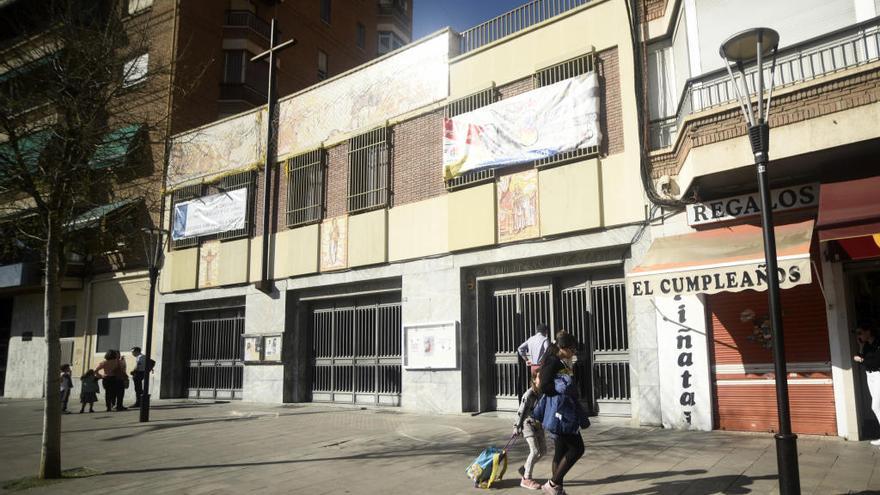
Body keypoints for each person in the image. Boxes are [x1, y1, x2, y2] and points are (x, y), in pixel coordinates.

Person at [535, 331, 587, 495]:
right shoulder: (553, 361)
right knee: (577, 448)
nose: (573, 354)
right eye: (572, 350)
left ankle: (557, 489)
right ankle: (552, 484)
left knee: (560, 451)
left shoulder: (558, 361)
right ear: (563, 348)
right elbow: (544, 385)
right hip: (560, 412)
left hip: (561, 410)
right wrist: (560, 391)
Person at [513, 369, 546, 490]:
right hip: (527, 423)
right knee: (535, 451)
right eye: (539, 378)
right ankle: (526, 479)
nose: (542, 380)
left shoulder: (543, 393)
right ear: (534, 380)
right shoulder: (529, 394)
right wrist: (517, 427)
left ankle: (525, 468)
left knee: (543, 451)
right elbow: (521, 411)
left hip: (538, 424)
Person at [854, 324, 880, 446]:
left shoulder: (877, 344)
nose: (859, 335)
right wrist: (860, 348)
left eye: (860, 332)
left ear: (868, 331)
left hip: (878, 374)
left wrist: (862, 360)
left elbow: (875, 361)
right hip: (871, 376)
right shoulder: (867, 346)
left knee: (876, 406)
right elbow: (861, 360)